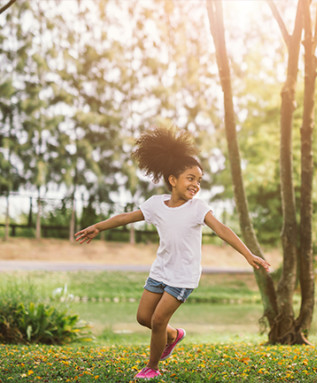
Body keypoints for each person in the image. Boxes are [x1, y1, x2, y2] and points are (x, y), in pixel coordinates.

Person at [75, 126, 271, 380]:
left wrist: (248, 254)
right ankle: (174, 334)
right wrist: (98, 227)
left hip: (184, 275)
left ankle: (152, 368)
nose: (196, 185)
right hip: (161, 270)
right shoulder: (156, 205)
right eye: (190, 178)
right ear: (172, 179)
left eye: (199, 180)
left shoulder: (198, 207)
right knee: (143, 317)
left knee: (157, 320)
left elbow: (222, 229)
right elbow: (127, 217)